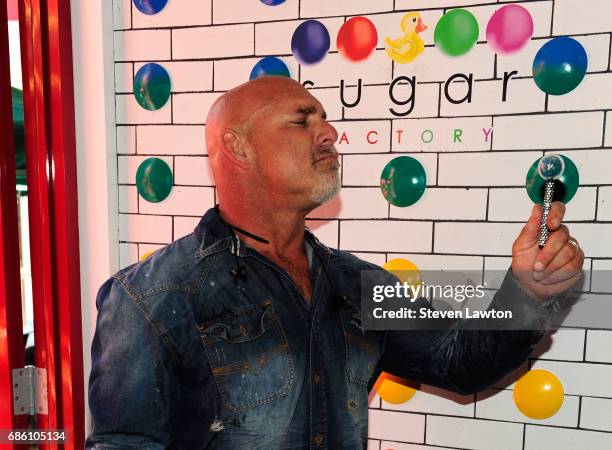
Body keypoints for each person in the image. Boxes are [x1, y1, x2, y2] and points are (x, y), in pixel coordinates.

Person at [85, 76, 584, 449]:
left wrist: (528, 291)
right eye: (302, 120)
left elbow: (460, 361)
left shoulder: (355, 283)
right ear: (236, 146)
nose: (329, 134)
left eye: (324, 120)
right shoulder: (149, 297)